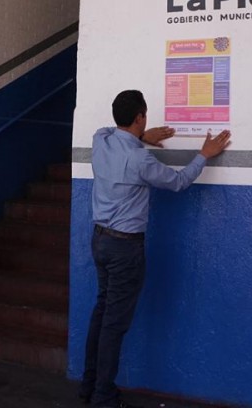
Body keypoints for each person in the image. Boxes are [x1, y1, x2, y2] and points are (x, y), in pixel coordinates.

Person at [79, 90, 231, 408]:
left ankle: (89, 385)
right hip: (124, 249)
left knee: (102, 311)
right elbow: (177, 183)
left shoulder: (101, 141)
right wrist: (204, 153)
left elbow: (106, 130)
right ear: (140, 117)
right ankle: (103, 397)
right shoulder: (139, 159)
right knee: (113, 325)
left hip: (101, 242)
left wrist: (141, 136)